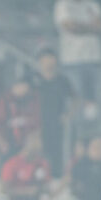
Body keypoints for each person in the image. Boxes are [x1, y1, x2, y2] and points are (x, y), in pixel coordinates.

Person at [53, 0, 101, 120]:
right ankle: (77, 129)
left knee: (95, 101)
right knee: (75, 101)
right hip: (72, 60)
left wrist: (80, 26)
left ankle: (95, 129)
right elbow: (69, 27)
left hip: (93, 59)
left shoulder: (92, 4)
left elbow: (100, 27)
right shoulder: (62, 5)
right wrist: (90, 27)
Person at [0, 132, 54, 200]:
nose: (37, 154)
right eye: (34, 150)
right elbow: (4, 189)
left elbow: (48, 186)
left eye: (39, 150)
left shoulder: (43, 163)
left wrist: (41, 189)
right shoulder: (12, 164)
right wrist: (26, 191)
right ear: (26, 147)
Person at [33, 48, 74, 176]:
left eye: (51, 60)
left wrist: (68, 115)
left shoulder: (62, 80)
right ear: (40, 61)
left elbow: (75, 99)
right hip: (35, 122)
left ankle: (56, 176)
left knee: (56, 152)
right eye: (46, 60)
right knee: (37, 151)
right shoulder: (32, 78)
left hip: (56, 122)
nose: (49, 63)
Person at [0, 78, 41, 158]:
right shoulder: (0, 101)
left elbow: (38, 126)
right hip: (8, 149)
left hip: (29, 150)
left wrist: (32, 145)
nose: (27, 91)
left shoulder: (33, 99)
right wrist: (2, 144)